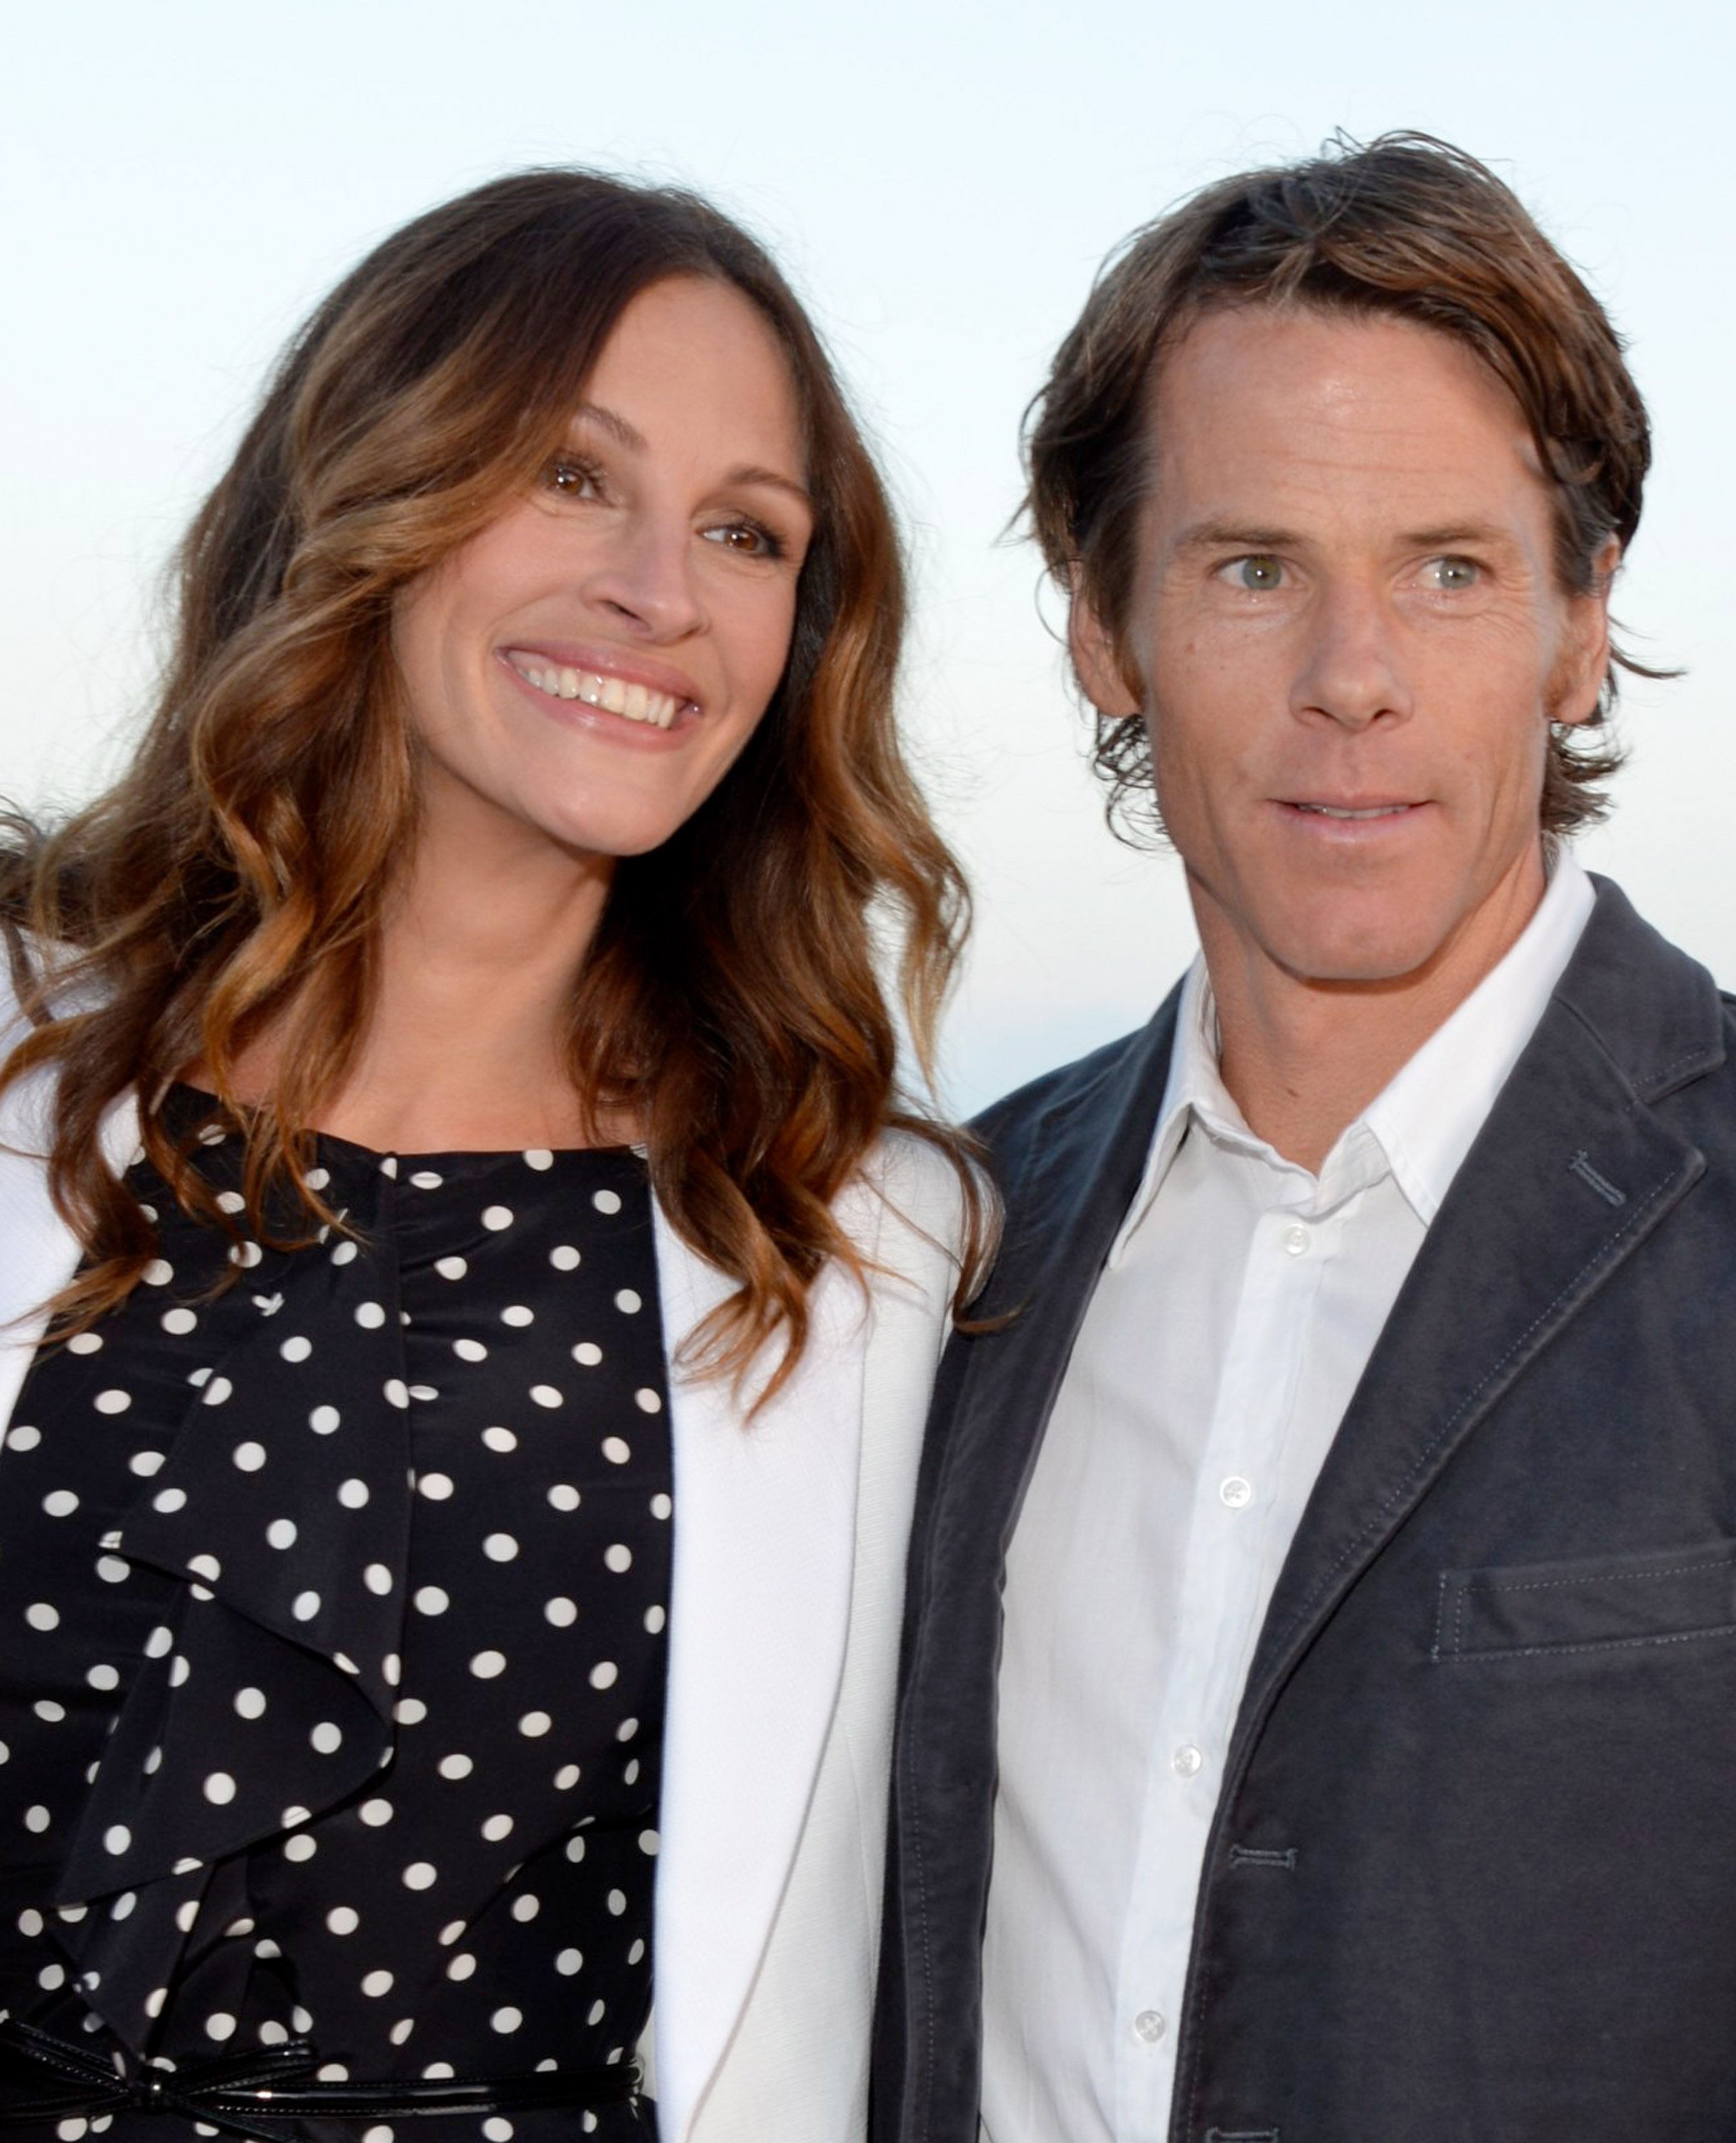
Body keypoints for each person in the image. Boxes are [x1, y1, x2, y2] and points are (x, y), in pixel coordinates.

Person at [0, 169, 984, 2143]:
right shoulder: (26, 1035)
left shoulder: (862, 1229)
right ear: (374, 487)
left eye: (744, 531)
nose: (661, 591)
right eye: (568, 476)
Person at [873, 133, 1736, 2141]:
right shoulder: (947, 1251)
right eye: (1255, 570)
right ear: (1103, 626)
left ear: (1578, 621)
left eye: (1448, 571)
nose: (1355, 682)